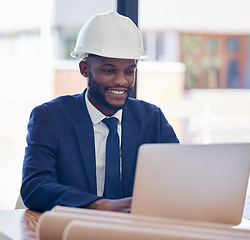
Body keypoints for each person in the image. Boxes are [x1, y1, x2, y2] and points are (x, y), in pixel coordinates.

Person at [21, 11, 179, 213]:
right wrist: (98, 205)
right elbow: (35, 186)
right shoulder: (50, 118)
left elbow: (179, 177)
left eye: (130, 71)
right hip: (76, 229)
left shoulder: (151, 118)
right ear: (84, 69)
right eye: (109, 70)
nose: (122, 81)